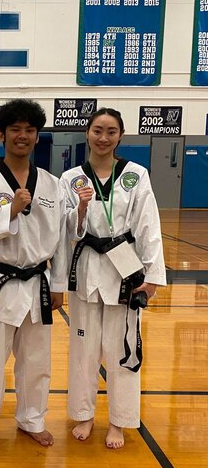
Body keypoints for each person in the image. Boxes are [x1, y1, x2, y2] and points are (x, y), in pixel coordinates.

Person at [0, 99, 68, 456]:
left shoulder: (54, 185)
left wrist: (58, 285)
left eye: (29, 130)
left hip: (38, 283)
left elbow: (62, 239)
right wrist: (10, 210)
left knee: (37, 361)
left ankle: (32, 419)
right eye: (15, 129)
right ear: (1, 135)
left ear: (37, 136)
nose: (22, 136)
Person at [60, 107, 165, 449]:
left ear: (120, 136)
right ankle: (84, 414)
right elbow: (65, 231)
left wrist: (150, 276)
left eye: (110, 132)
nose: (103, 138)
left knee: (121, 348)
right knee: (83, 350)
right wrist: (80, 210)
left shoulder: (136, 175)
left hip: (125, 269)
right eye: (97, 130)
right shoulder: (71, 178)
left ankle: (119, 421)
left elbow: (148, 225)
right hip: (88, 267)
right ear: (87, 134)